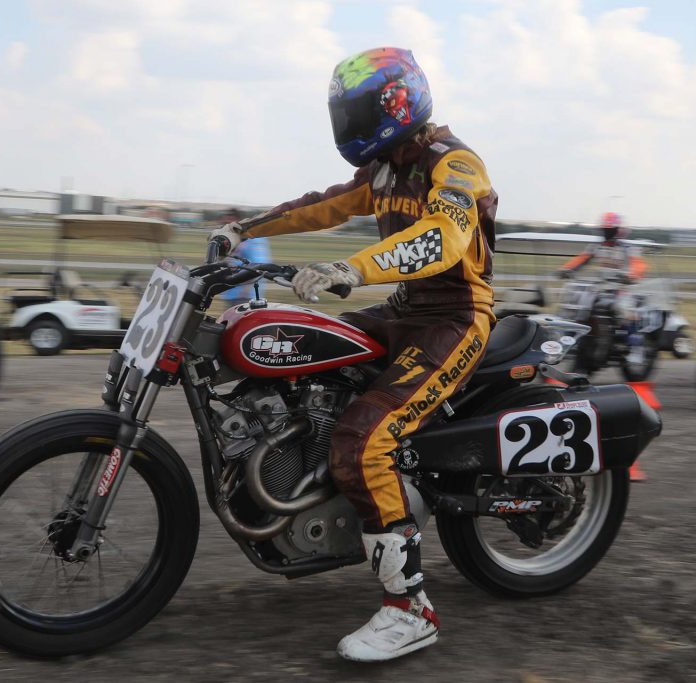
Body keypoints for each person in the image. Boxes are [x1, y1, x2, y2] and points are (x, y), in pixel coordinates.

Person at [209, 47, 497, 661]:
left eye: (359, 111)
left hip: (454, 319)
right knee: (303, 356)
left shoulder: (456, 164)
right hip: (402, 313)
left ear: (397, 102)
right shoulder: (385, 168)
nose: (349, 126)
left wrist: (353, 268)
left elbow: (442, 240)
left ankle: (410, 608)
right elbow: (324, 204)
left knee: (364, 441)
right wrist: (245, 228)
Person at [556, 212, 646, 282]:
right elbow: (581, 259)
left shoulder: (629, 248)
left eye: (610, 230)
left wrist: (631, 276)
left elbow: (638, 265)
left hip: (625, 288)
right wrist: (566, 269)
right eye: (605, 230)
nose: (607, 233)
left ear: (619, 230)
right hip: (603, 285)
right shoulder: (596, 247)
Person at [219, 208, 271, 307]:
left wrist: (245, 291)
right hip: (231, 295)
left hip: (245, 297)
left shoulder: (253, 238)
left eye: (228, 222)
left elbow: (260, 266)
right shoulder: (233, 239)